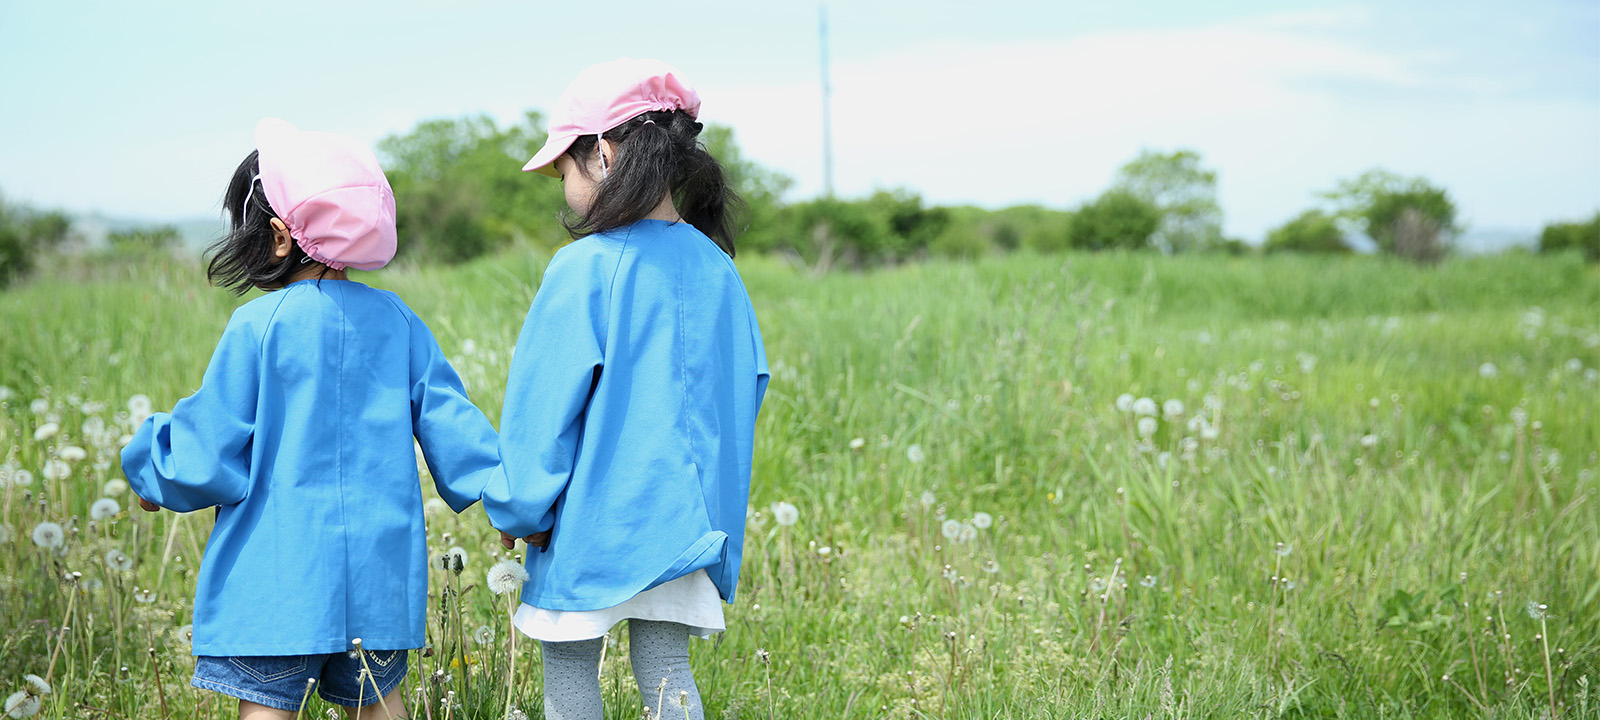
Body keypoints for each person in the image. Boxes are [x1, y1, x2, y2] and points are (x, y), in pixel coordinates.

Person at [121, 118, 502, 720]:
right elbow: (455, 426)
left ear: (276, 236)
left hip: (278, 587)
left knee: (269, 711)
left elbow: (204, 448)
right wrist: (510, 501)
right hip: (378, 587)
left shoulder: (259, 325)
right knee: (380, 706)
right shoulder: (398, 321)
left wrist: (152, 475)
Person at [480, 58, 769, 720]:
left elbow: (542, 409)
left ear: (604, 153)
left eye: (564, 169)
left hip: (592, 526)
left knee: (570, 670)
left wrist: (520, 511)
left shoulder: (585, 268)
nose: (563, 186)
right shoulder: (718, 268)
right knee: (668, 671)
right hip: (687, 526)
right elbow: (744, 393)